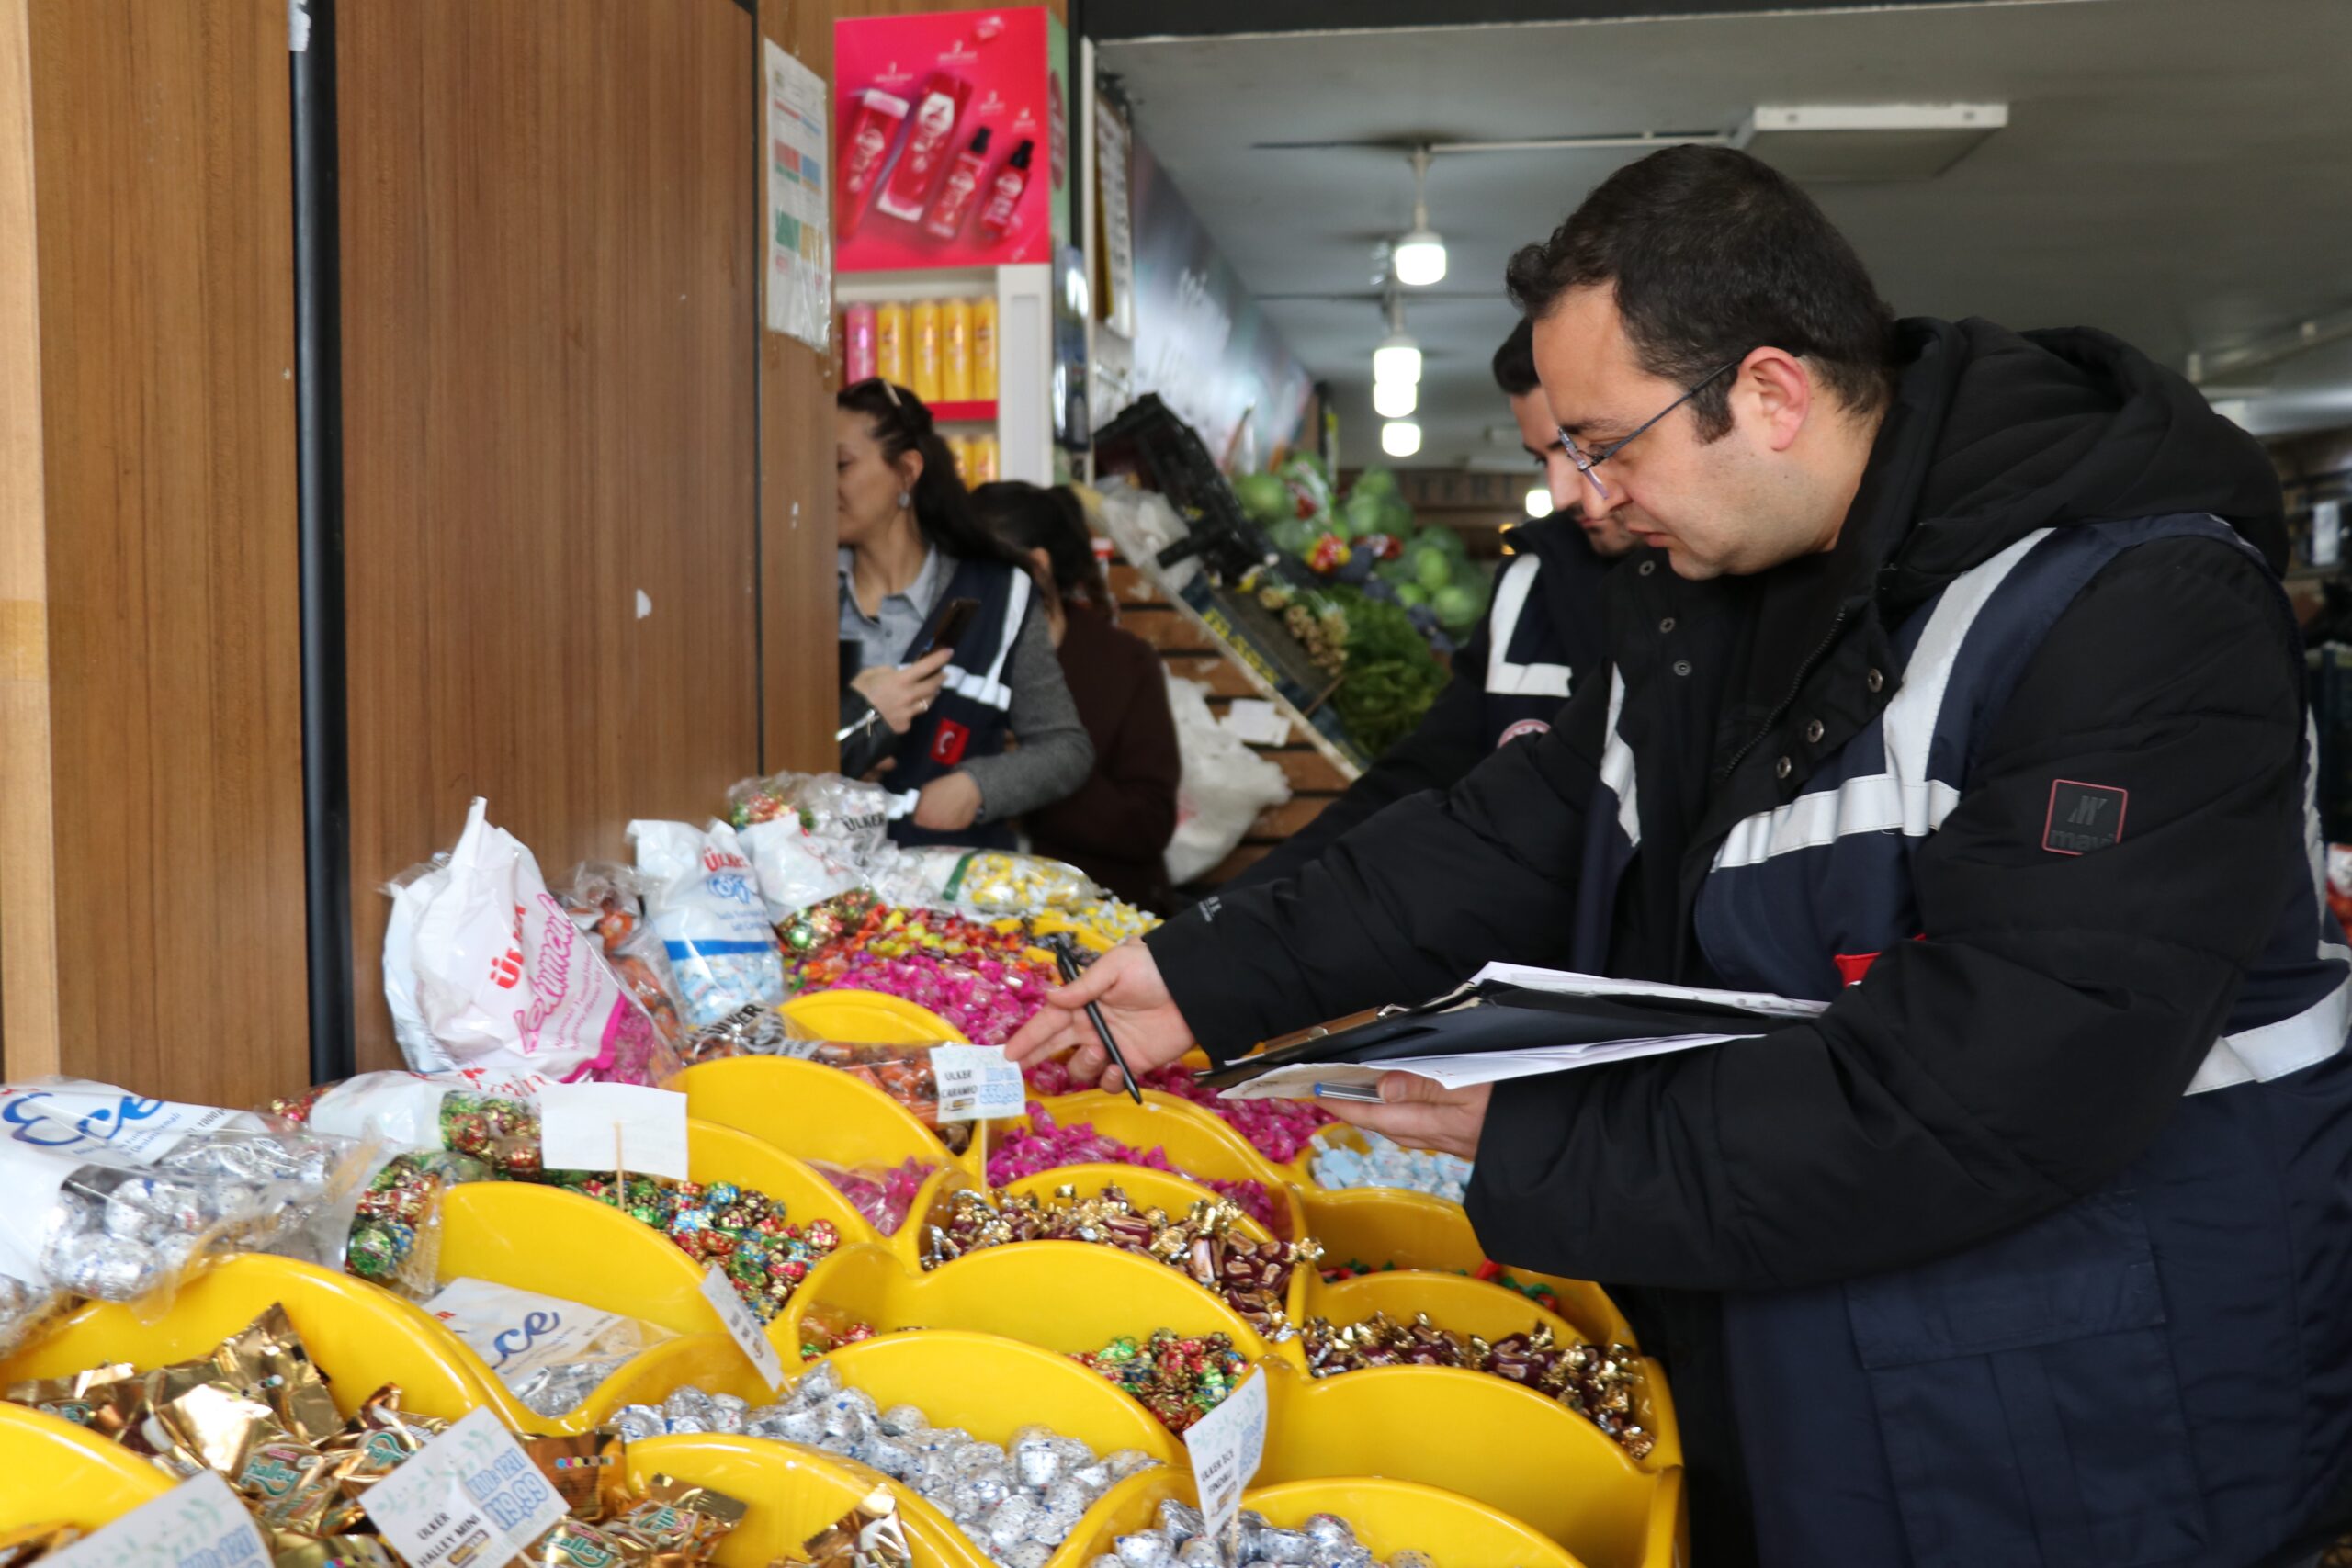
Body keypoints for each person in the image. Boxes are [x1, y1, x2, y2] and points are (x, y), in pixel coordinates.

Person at [1011, 146, 2352, 1566]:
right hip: (1831, 1358)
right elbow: (1517, 832)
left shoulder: (2137, 612)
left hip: (2087, 1419)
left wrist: (1557, 1137)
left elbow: (1997, 1082)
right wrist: (1200, 973)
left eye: (1605, 442)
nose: (1579, 495)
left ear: (1769, 393)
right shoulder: (1730, 590)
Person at [1234, 320, 1640, 886]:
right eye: (1541, 458)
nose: (1562, 490)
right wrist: (1231, 911)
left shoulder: (1724, 590)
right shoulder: (1527, 583)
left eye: (1581, 450)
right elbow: (1423, 773)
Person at [836, 378, 1091, 846]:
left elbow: (1065, 747)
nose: (822, 485)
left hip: (952, 896)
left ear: (907, 472)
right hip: (817, 891)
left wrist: (979, 786)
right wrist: (857, 726)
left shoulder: (998, 593)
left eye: (840, 465)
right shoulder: (791, 602)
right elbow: (753, 767)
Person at [974, 480, 1181, 909]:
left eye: (975, 567)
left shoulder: (1123, 664)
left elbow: (1148, 824)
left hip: (1098, 920)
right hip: (962, 917)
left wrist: (1032, 776)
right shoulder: (950, 653)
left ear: (1037, 566)